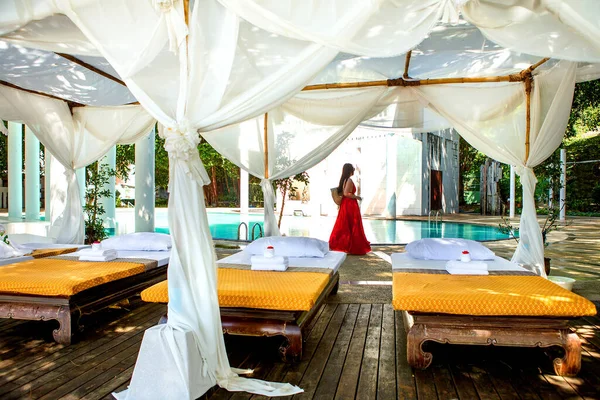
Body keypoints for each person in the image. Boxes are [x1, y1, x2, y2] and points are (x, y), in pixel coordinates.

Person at [329, 163, 371, 255]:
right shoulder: (349, 180)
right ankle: (349, 246)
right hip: (349, 204)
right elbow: (346, 193)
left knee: (345, 224)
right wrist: (357, 197)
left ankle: (346, 245)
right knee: (353, 224)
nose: (354, 170)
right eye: (353, 169)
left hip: (346, 204)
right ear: (350, 170)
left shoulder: (344, 180)